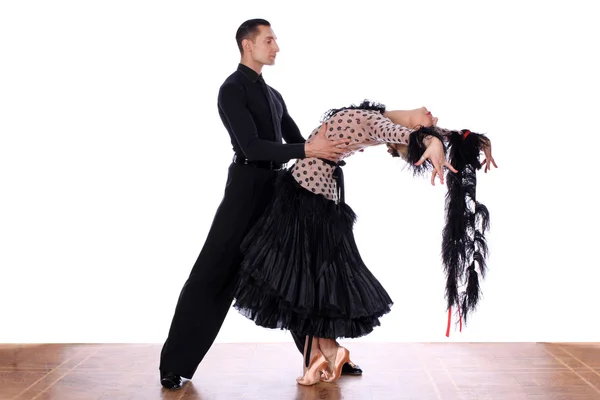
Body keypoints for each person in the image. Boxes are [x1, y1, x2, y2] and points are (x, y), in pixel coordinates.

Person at [231, 100, 497, 385]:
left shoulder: (374, 122)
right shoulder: (376, 116)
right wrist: (469, 139)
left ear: (416, 128)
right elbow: (412, 132)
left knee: (308, 277)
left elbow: (403, 133)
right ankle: (326, 352)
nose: (432, 113)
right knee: (309, 277)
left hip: (307, 196)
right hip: (311, 194)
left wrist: (437, 139)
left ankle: (325, 353)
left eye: (428, 123)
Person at [158, 19, 360, 390]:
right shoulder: (231, 90)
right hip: (245, 189)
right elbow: (251, 146)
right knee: (212, 273)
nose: (276, 47)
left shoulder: (274, 95)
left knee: (296, 272)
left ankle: (324, 354)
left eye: (275, 40)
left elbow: (300, 139)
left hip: (279, 189)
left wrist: (340, 144)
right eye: (269, 40)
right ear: (247, 45)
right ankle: (174, 364)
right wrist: (305, 149)